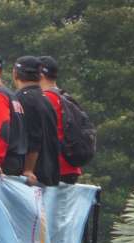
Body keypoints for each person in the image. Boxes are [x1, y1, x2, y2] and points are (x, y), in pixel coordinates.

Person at [12, 55, 60, 186]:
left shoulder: (21, 99)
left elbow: (34, 138)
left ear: (15, 73)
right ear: (40, 75)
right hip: (50, 172)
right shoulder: (46, 100)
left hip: (32, 177)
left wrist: (28, 170)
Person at [39, 56, 82, 184]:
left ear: (40, 75)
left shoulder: (46, 98)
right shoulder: (65, 96)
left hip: (55, 168)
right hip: (71, 166)